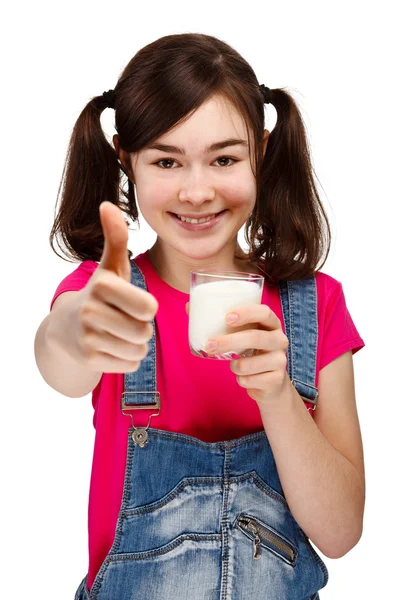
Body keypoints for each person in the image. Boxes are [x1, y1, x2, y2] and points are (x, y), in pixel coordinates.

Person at [34, 33, 366, 600]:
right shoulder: (104, 294)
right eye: (167, 160)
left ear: (260, 152)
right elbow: (61, 360)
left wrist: (280, 397)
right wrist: (79, 329)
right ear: (126, 161)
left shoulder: (317, 305)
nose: (197, 189)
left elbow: (339, 532)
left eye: (224, 158)